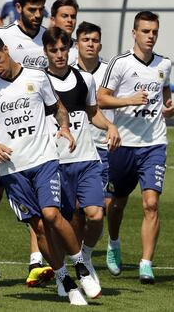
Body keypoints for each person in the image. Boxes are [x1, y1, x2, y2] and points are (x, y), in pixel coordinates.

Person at [0, 33, 102, 306]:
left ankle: (81, 266)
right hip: (12, 170)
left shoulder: (36, 76)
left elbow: (58, 109)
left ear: (5, 50)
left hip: (44, 160)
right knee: (40, 228)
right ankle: (66, 282)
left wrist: (65, 127)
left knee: (52, 214)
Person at [0, 0, 50, 286]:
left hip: (40, 133)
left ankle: (37, 260)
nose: (37, 14)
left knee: (42, 202)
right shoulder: (3, 39)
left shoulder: (51, 39)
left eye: (40, 9)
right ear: (18, 8)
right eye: (31, 9)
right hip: (4, 134)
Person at [97, 11, 174, 284]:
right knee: (115, 205)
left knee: (151, 204)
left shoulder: (165, 63)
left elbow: (164, 88)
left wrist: (168, 101)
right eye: (145, 31)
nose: (150, 36)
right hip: (123, 145)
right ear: (134, 33)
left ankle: (145, 263)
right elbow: (101, 100)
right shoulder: (120, 63)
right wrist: (129, 99)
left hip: (153, 144)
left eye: (154, 31)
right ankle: (114, 243)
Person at [42, 27, 120, 291]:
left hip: (86, 158)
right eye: (54, 50)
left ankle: (86, 255)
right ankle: (63, 275)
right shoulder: (40, 82)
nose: (60, 55)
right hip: (54, 162)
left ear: (70, 48)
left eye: (64, 49)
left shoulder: (85, 79)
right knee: (62, 222)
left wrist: (109, 126)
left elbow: (92, 113)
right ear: (46, 52)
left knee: (96, 215)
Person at [73, 21, 114, 216]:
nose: (90, 44)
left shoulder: (111, 71)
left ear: (100, 45)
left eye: (95, 40)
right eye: (85, 39)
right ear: (76, 44)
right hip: (73, 149)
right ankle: (76, 248)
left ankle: (86, 248)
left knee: (99, 209)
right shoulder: (66, 72)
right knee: (74, 209)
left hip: (102, 148)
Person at [50, 0, 79, 65]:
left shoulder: (81, 50)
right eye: (64, 16)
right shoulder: (41, 47)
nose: (69, 20)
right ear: (53, 20)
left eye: (73, 17)